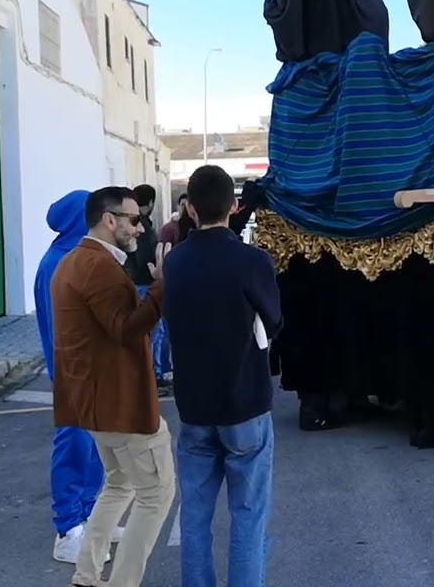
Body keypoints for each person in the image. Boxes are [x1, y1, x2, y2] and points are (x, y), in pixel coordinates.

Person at [163, 165, 283, 585]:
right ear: (234, 207)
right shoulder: (252, 261)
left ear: (190, 209)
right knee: (248, 516)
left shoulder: (175, 263)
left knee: (195, 518)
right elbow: (274, 320)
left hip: (195, 406)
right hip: (245, 402)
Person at [51, 186, 175, 587]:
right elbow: (125, 329)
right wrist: (161, 288)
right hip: (120, 405)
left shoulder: (73, 262)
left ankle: (88, 574)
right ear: (109, 220)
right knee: (156, 494)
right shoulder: (98, 267)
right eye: (134, 220)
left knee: (120, 483)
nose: (140, 229)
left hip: (95, 405)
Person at [34, 190, 115, 564]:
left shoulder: (70, 257)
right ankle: (69, 530)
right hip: (75, 373)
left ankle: (92, 519)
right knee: (75, 446)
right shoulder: (60, 263)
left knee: (95, 448)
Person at [125, 184, 171, 392]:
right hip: (145, 283)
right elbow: (144, 257)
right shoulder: (143, 228)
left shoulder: (137, 225)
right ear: (151, 203)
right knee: (154, 332)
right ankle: (153, 375)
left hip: (138, 283)